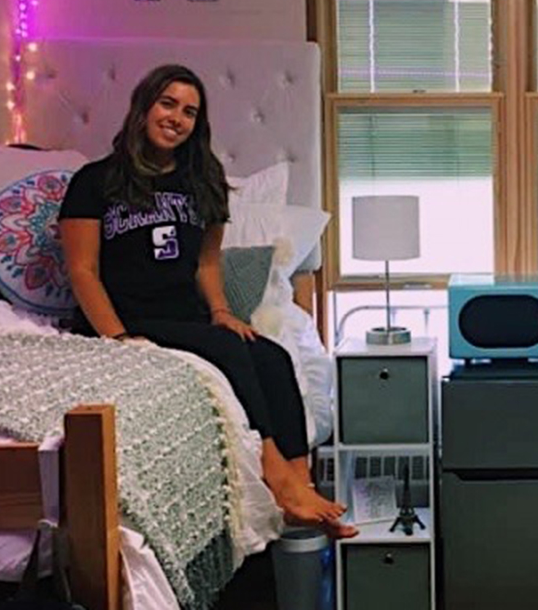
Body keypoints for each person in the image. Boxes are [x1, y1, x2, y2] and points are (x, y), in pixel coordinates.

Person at [59, 64, 356, 538]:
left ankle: (303, 488)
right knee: (235, 352)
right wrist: (117, 336)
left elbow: (207, 264)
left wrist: (221, 312)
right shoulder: (95, 181)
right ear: (144, 106)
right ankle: (277, 476)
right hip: (130, 317)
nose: (177, 117)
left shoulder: (202, 179)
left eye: (190, 111)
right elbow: (83, 270)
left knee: (274, 357)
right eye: (168, 103)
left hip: (187, 316)